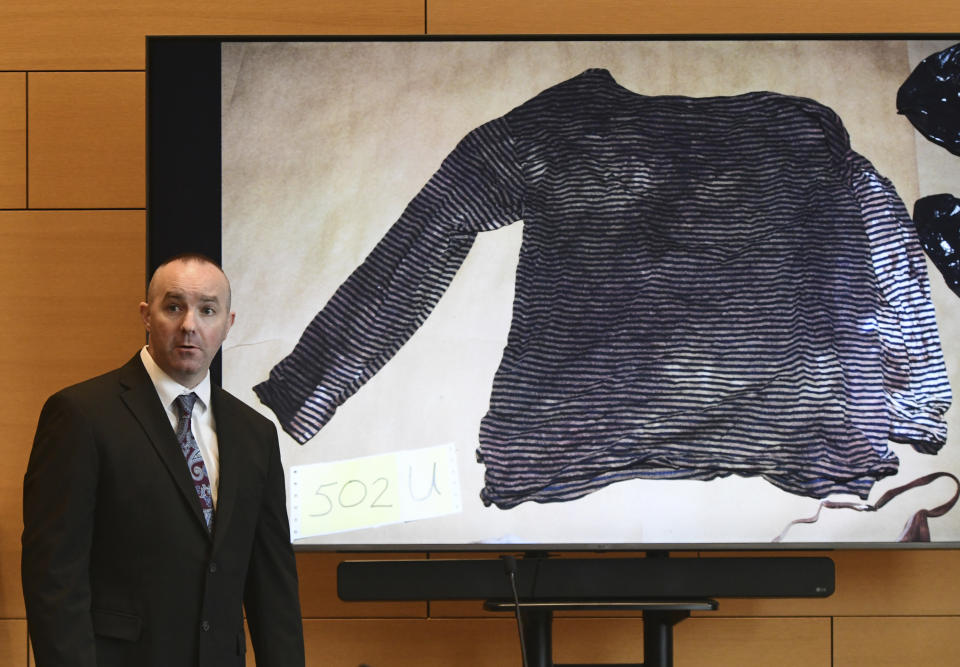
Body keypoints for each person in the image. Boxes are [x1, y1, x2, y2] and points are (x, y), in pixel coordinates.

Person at [21, 253, 305, 667]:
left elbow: (273, 585)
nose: (190, 325)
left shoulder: (255, 435)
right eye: (174, 307)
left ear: (228, 324)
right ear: (146, 315)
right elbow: (53, 577)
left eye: (208, 310)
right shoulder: (81, 415)